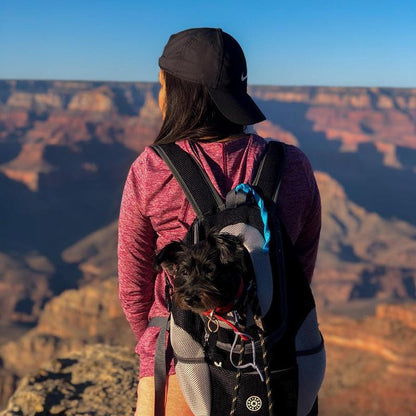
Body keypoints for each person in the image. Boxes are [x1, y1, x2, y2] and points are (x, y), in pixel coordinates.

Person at [118, 28, 322, 416]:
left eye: (161, 84)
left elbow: (134, 288)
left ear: (177, 92)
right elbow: (298, 272)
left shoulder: (151, 169)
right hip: (275, 364)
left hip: (179, 365)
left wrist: (156, 340)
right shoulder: (293, 166)